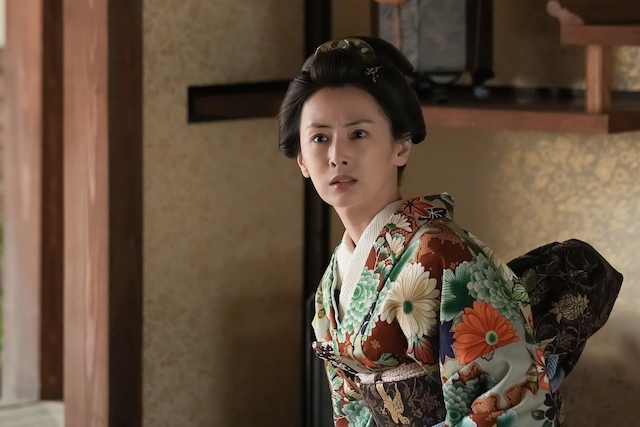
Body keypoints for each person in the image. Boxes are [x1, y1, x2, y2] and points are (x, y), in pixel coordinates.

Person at [278, 37, 560, 427]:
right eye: (319, 138)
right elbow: (349, 412)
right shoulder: (332, 283)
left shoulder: (442, 254)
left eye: (358, 134)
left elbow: (512, 406)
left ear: (401, 146)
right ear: (302, 161)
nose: (336, 155)